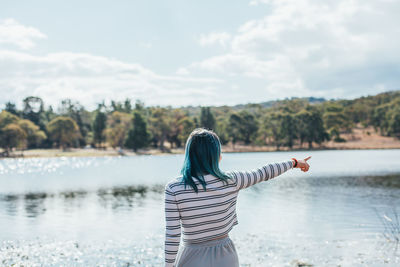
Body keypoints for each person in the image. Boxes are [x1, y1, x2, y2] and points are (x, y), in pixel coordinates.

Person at [164, 128, 311, 267]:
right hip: (225, 256)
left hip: (192, 257)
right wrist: (295, 163)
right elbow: (265, 172)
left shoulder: (174, 188)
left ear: (189, 154)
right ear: (216, 155)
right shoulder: (232, 180)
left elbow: (172, 235)